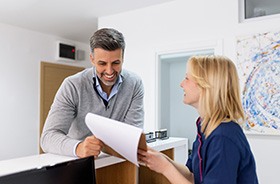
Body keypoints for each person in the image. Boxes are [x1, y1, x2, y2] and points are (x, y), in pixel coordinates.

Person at [138, 55, 258, 184]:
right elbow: (192, 175)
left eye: (187, 78)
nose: (181, 84)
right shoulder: (206, 127)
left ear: (206, 85)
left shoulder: (222, 136)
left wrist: (165, 168)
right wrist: (162, 159)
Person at [41, 28, 144, 158]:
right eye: (102, 63)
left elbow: (132, 134)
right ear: (92, 59)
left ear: (122, 58)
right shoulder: (72, 85)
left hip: (116, 162)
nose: (109, 71)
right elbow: (48, 138)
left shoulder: (134, 83)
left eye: (116, 63)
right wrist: (78, 148)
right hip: (79, 164)